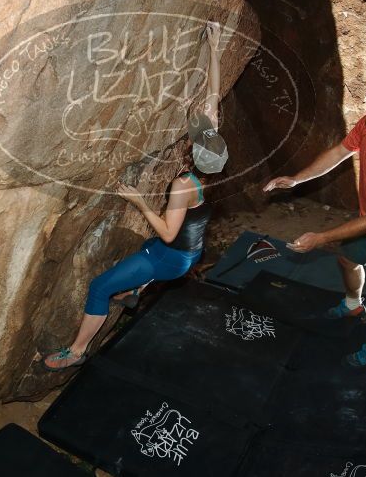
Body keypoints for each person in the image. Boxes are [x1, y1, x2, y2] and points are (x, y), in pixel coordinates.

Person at [44, 22, 228, 370]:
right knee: (145, 250)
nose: (198, 130)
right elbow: (213, 97)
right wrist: (215, 49)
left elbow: (169, 233)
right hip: (189, 251)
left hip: (172, 257)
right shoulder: (212, 161)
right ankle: (136, 290)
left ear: (194, 149)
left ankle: (77, 351)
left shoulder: (183, 184)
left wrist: (139, 201)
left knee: (99, 287)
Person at [263, 83, 366, 367]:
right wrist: (297, 179)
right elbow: (339, 152)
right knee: (347, 260)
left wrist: (320, 238)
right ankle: (352, 305)